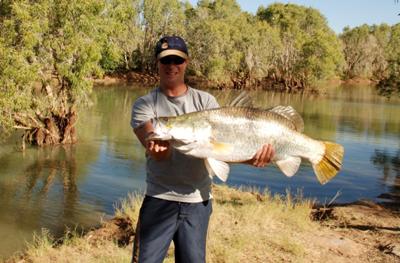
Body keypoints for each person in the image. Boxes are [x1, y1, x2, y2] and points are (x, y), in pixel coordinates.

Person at [130, 36, 274, 263]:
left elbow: (219, 150)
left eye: (177, 60)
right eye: (165, 61)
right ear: (157, 64)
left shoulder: (206, 102)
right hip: (159, 199)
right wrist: (156, 147)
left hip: (198, 202)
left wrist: (252, 157)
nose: (171, 66)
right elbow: (160, 153)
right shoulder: (144, 105)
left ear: (186, 63)